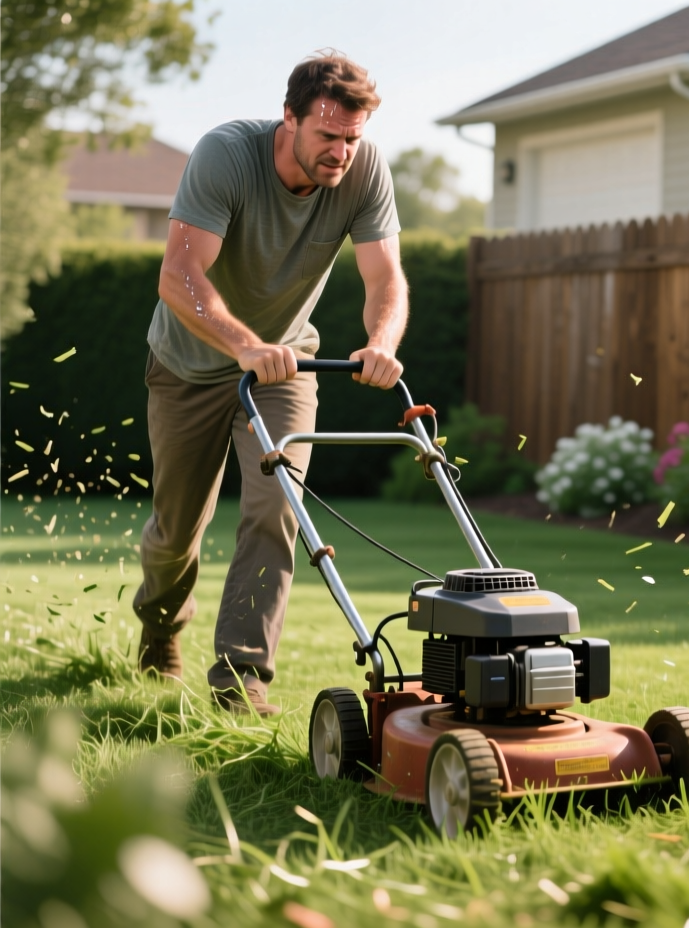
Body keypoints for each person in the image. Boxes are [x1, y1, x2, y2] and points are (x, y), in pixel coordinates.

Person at [133, 51, 407, 715]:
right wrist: (244, 346)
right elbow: (179, 276)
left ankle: (241, 677)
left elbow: (385, 278)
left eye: (352, 138)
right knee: (176, 533)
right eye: (328, 135)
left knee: (278, 507)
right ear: (289, 117)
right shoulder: (227, 156)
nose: (341, 152)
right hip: (190, 364)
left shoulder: (363, 169)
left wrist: (380, 343)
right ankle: (161, 627)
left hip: (285, 366)